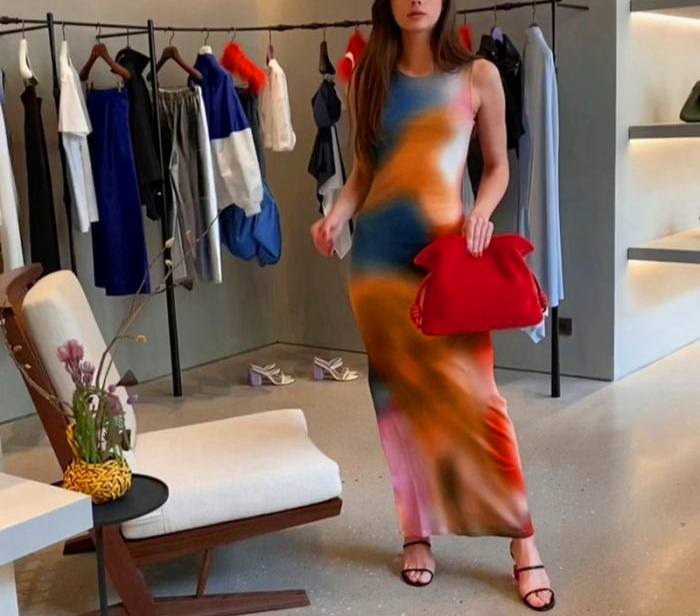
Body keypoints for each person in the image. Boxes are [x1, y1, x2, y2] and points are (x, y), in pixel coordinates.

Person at [311, 0, 555, 611]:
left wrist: (481, 212)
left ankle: (522, 538)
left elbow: (496, 168)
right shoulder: (366, 77)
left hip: (445, 261)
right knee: (398, 403)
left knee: (480, 400)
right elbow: (364, 171)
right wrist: (337, 214)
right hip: (378, 267)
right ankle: (414, 532)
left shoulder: (478, 75)